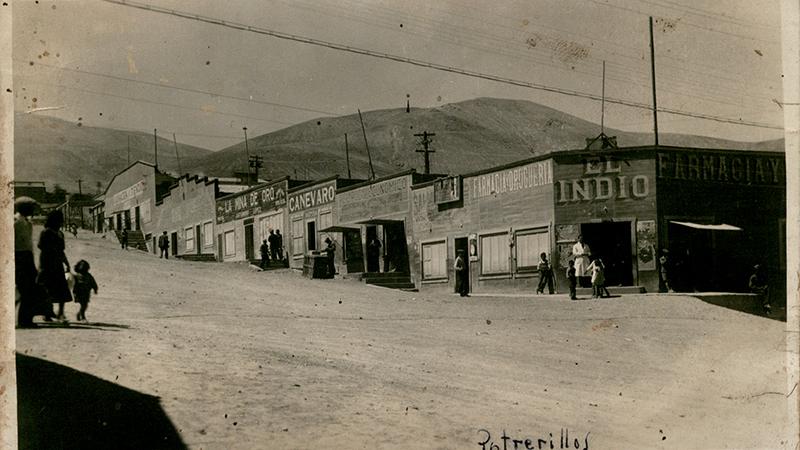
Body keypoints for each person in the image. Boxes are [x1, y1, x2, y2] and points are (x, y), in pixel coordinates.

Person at [38, 210, 73, 321]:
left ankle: (61, 313)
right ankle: (47, 313)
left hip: (57, 265)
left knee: (61, 289)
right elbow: (41, 247)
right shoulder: (46, 232)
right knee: (48, 289)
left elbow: (61, 250)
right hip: (47, 264)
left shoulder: (60, 233)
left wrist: (66, 263)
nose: (61, 223)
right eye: (59, 220)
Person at [15, 197, 40, 327]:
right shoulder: (15, 222)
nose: (34, 210)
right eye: (31, 207)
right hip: (18, 259)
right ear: (24, 208)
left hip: (27, 259)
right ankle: (23, 321)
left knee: (30, 290)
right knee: (24, 290)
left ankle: (26, 320)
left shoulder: (27, 223)